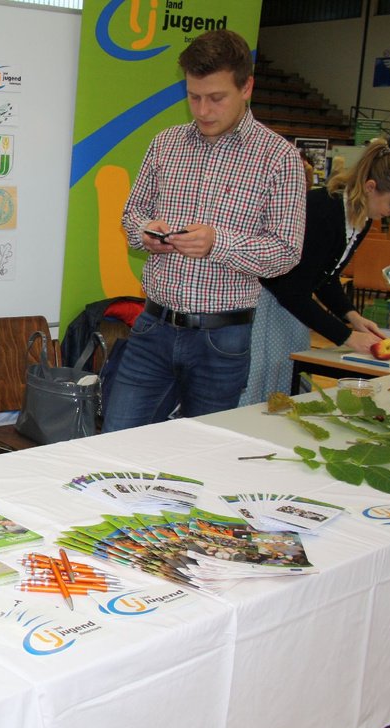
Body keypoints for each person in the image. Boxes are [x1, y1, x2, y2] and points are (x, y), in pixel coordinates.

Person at [103, 29, 305, 432]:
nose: (203, 110)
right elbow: (132, 213)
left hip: (222, 339)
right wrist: (145, 232)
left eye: (216, 98)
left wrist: (217, 244)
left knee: (203, 451)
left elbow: (285, 252)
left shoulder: (279, 158)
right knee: (115, 438)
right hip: (152, 327)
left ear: (246, 87)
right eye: (193, 97)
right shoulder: (166, 144)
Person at [238, 143, 390, 405]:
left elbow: (325, 276)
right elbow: (290, 290)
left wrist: (351, 315)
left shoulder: (361, 217)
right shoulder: (323, 209)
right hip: (265, 303)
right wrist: (346, 336)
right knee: (259, 382)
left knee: (286, 381)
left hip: (290, 306)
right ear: (370, 187)